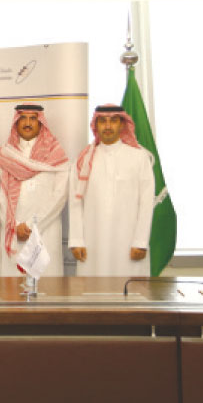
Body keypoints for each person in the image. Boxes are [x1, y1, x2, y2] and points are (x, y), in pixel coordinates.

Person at [69, 104, 155, 276]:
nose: (108, 126)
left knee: (130, 293)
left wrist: (140, 241)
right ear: (96, 125)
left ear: (122, 124)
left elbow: (146, 203)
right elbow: (75, 202)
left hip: (129, 241)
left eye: (113, 121)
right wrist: (77, 240)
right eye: (103, 121)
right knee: (93, 294)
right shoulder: (84, 160)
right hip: (93, 242)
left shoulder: (139, 157)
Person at [0, 104, 69, 277]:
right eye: (23, 118)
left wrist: (30, 225)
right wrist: (15, 224)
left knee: (47, 289)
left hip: (45, 231)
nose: (28, 123)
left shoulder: (56, 155)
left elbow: (59, 197)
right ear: (16, 123)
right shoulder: (6, 155)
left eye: (33, 119)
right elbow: (0, 196)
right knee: (12, 290)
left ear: (41, 123)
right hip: (13, 232)